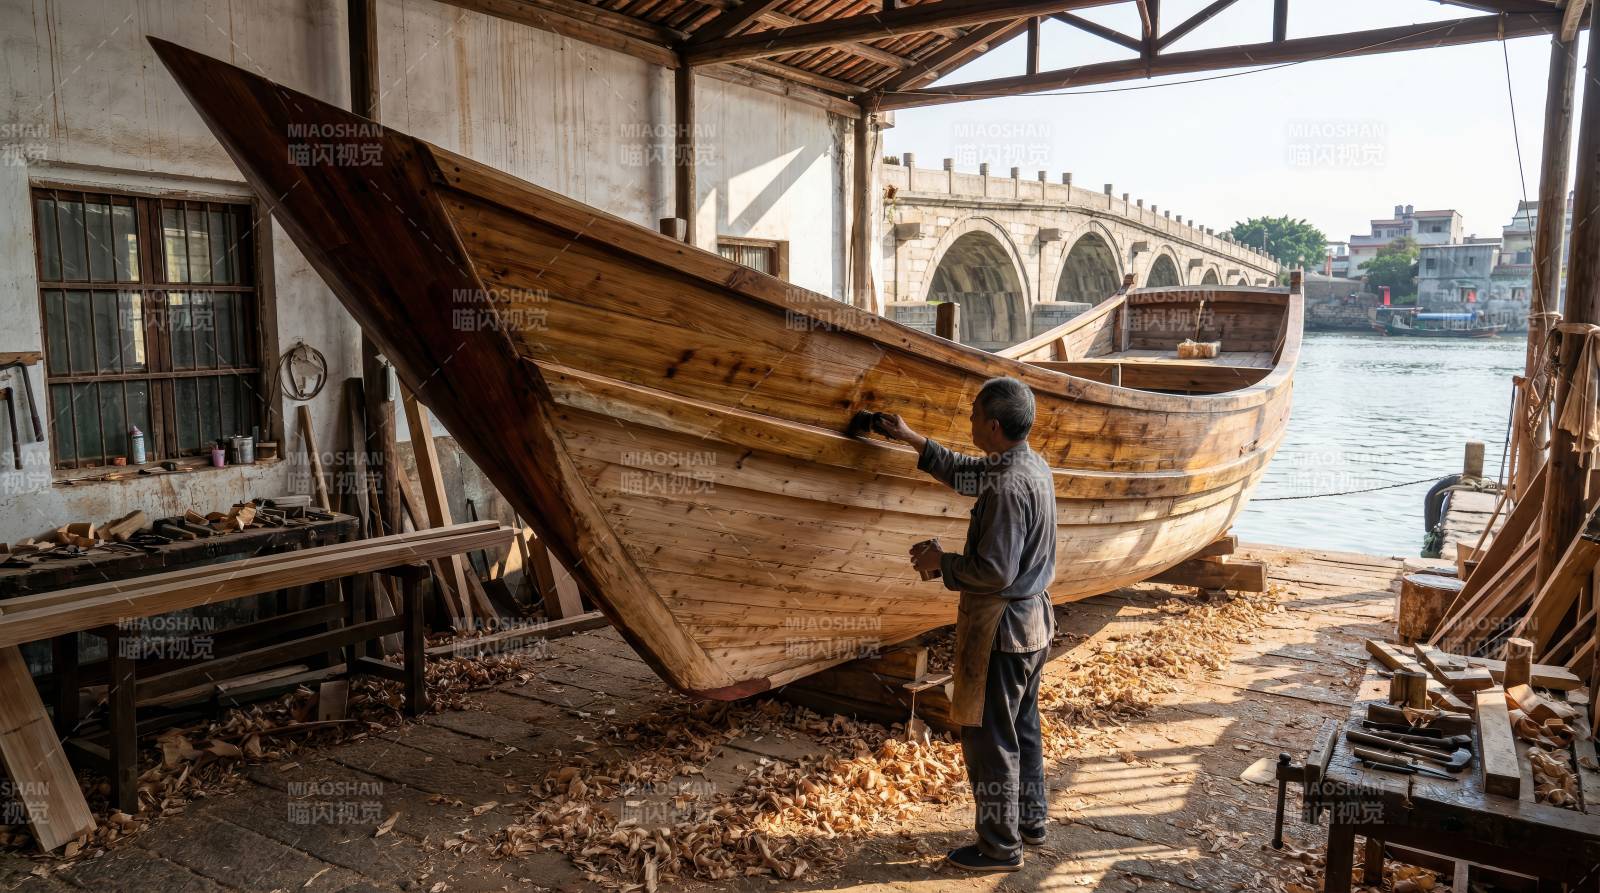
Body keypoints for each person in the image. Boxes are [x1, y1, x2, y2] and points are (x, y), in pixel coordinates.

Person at [874, 376, 1057, 873]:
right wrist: (915, 440)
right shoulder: (1027, 465)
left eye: (974, 415)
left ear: (993, 425)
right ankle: (1030, 823)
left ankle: (999, 848)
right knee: (1022, 728)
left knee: (987, 738)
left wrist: (941, 562)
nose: (970, 421)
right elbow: (968, 473)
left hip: (1002, 629)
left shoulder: (1005, 484)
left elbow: (994, 572)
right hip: (1033, 626)